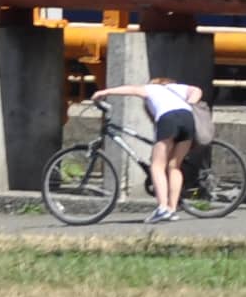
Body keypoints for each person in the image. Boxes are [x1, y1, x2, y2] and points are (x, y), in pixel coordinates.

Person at [88, 74, 213, 220]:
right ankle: (172, 209)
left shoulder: (152, 88)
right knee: (174, 166)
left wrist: (105, 92)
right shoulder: (177, 88)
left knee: (157, 166)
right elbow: (197, 90)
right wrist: (188, 103)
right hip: (188, 118)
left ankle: (162, 207)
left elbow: (132, 89)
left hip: (169, 119)